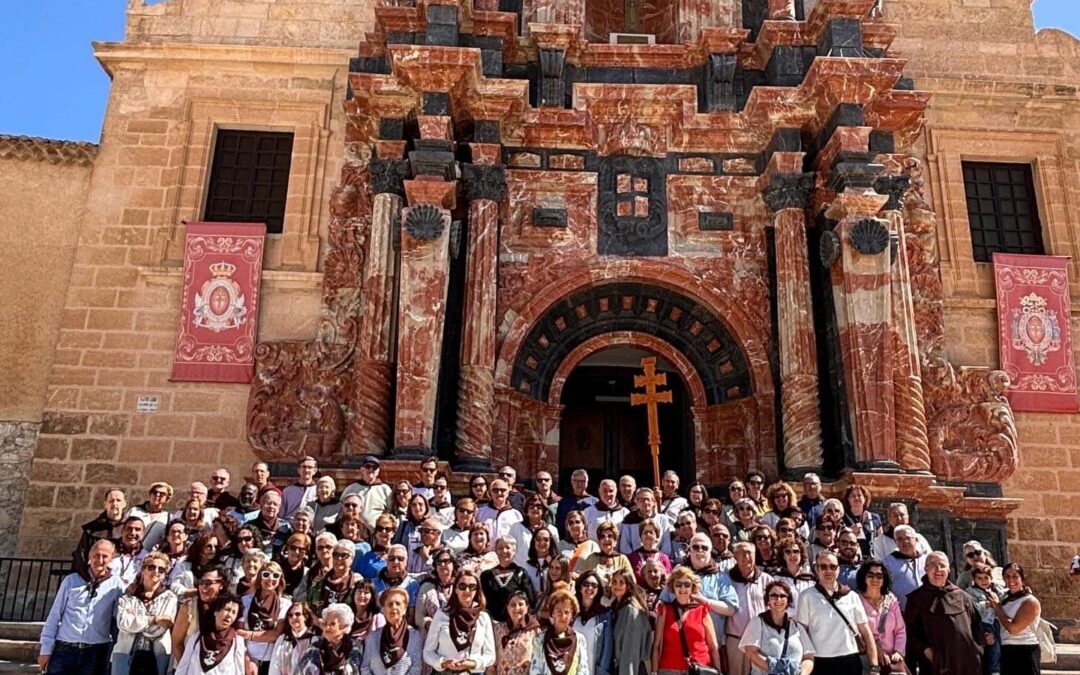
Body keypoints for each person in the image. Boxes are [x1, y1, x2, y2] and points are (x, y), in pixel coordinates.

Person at [40, 538, 123, 674]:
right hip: (65, 649)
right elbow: (54, 616)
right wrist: (45, 649)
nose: (100, 560)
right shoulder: (72, 580)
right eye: (96, 555)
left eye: (105, 556)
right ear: (90, 556)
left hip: (95, 651)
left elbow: (118, 617)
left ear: (112, 558)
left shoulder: (116, 585)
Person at [795, 551, 877, 675]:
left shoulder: (851, 596)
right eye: (823, 566)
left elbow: (866, 632)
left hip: (849, 661)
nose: (828, 571)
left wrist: (874, 667)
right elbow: (802, 633)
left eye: (833, 566)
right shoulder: (806, 596)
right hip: (819, 662)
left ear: (838, 569)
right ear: (816, 569)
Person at [903, 552, 983, 675]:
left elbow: (977, 627)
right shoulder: (916, 599)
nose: (938, 569)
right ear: (926, 569)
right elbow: (910, 632)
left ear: (948, 570)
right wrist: (925, 650)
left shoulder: (963, 596)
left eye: (942, 565)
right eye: (933, 565)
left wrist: (977, 650)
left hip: (967, 663)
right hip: (936, 664)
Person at [660, 533, 739, 651]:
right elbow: (663, 603)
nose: (700, 550)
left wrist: (706, 601)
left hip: (710, 646)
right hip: (677, 645)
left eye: (704, 548)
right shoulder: (677, 574)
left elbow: (732, 609)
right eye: (696, 547)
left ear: (710, 551)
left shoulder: (720, 577)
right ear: (689, 550)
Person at [112, 552, 178, 675]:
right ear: (143, 570)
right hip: (125, 652)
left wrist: (135, 622)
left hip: (158, 654)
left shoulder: (170, 598)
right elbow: (123, 623)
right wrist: (154, 619)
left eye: (161, 569)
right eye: (151, 567)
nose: (156, 571)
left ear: (164, 575)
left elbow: (159, 630)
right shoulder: (128, 597)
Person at [422, 569, 496, 675]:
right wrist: (442, 663)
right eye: (462, 586)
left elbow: (490, 656)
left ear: (477, 590)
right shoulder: (442, 614)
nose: (467, 590)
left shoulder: (483, 617)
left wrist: (473, 663)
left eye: (472, 587)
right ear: (456, 589)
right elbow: (428, 652)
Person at [651, 568, 724, 675]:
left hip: (699, 668)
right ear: (673, 587)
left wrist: (719, 671)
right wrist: (653, 672)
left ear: (692, 587)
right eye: (678, 584)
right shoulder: (665, 610)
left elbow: (713, 646)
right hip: (669, 669)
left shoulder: (702, 610)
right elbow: (656, 645)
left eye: (687, 584)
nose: (683, 588)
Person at [739, 580, 814, 675]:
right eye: (773, 595)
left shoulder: (797, 627)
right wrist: (776, 669)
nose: (778, 599)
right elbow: (751, 652)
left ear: (788, 601)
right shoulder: (757, 622)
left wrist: (801, 673)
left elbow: (808, 657)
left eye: (782, 596)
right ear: (768, 600)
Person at [238, 561, 292, 675]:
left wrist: (248, 634)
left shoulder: (285, 604)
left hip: (272, 660)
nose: (270, 579)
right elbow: (238, 636)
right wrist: (247, 661)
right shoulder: (245, 601)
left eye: (275, 576)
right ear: (260, 577)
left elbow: (275, 635)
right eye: (266, 574)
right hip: (247, 658)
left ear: (280, 580)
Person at [174, 593, 247, 675]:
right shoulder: (197, 638)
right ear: (216, 611)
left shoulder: (237, 641)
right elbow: (182, 667)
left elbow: (239, 671)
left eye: (234, 612)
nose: (229, 615)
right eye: (227, 609)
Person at [856, 560, 907, 675]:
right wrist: (876, 650)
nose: (875, 579)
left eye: (879, 575)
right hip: (866, 659)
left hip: (892, 660)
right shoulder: (856, 601)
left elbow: (900, 630)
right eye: (870, 575)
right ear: (864, 577)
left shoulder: (890, 600)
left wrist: (898, 652)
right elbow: (857, 632)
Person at [992, 562, 1041, 675]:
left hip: (1024, 651)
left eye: (1015, 576)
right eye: (1007, 576)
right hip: (1006, 650)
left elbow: (1014, 629)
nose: (1010, 580)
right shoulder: (1005, 599)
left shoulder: (1029, 601)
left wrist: (997, 607)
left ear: (1022, 579)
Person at [172, 565, 228, 661]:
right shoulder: (189, 606)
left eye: (209, 583)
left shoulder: (228, 608)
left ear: (221, 585)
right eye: (201, 582)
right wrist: (185, 668)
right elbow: (177, 642)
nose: (203, 587)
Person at [529, 589, 591, 675]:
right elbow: (535, 670)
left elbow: (583, 669)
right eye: (559, 611)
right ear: (552, 613)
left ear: (572, 615)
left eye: (567, 612)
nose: (563, 616)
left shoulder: (580, 639)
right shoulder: (540, 639)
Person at [362, 587, 423, 675]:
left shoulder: (414, 636)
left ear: (405, 609)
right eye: (389, 604)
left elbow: (416, 667)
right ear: (383, 609)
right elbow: (365, 667)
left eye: (398, 604)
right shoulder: (373, 637)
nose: (394, 607)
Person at [606, 569, 653, 675]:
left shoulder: (631, 610)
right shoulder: (616, 608)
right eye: (614, 582)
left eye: (621, 582)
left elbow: (631, 650)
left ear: (628, 586)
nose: (617, 585)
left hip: (630, 669)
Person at [73, 488, 127, 575]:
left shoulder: (130, 528)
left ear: (124, 504)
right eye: (111, 501)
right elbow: (81, 556)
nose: (115, 503)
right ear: (105, 504)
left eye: (118, 500)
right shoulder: (92, 529)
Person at [481, 537, 536, 622]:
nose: (504, 551)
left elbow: (530, 600)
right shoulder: (486, 575)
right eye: (500, 548)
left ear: (514, 551)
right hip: (493, 624)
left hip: (517, 623)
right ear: (495, 551)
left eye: (507, 547)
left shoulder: (521, 573)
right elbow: (482, 602)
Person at [297, 603, 363, 674]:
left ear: (344, 627)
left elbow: (354, 671)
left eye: (332, 624)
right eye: (325, 623)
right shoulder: (315, 647)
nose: (327, 627)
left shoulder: (354, 647)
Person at [491, 590, 541, 675]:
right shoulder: (498, 629)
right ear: (507, 608)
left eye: (520, 604)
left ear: (527, 607)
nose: (517, 608)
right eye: (513, 605)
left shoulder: (535, 631)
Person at [965, 563, 1002, 675]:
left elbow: (1005, 596)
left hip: (997, 623)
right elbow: (972, 607)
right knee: (992, 650)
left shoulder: (996, 589)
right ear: (974, 579)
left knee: (999, 650)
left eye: (986, 577)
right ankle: (993, 671)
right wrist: (986, 604)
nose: (983, 581)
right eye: (979, 578)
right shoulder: (971, 592)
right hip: (984, 624)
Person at [573, 572, 611, 675]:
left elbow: (607, 650)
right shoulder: (571, 613)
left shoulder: (604, 615)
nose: (590, 588)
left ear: (598, 590)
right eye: (586, 584)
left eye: (594, 585)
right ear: (580, 587)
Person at [340, 455, 393, 530]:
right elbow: (341, 510)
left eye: (374, 467)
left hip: (377, 532)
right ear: (362, 470)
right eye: (367, 466)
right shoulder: (350, 489)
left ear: (378, 471)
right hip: (354, 531)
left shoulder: (385, 490)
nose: (371, 469)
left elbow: (391, 512)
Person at [882, 525, 928, 610]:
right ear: (895, 542)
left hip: (928, 611)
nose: (905, 542)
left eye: (908, 538)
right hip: (903, 612)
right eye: (899, 539)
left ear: (916, 540)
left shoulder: (926, 559)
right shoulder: (888, 562)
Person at [310, 540, 363, 613]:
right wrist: (318, 622)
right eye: (336, 555)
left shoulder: (357, 582)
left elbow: (361, 610)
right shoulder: (320, 580)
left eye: (344, 555)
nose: (339, 558)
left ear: (352, 559)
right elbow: (309, 607)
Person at [508, 497, 560, 566]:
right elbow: (510, 550)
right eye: (531, 506)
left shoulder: (552, 530)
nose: (535, 509)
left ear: (544, 509)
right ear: (526, 509)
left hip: (546, 571)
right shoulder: (516, 527)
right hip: (521, 571)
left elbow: (555, 553)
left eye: (538, 506)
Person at [417, 549, 458, 636]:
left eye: (446, 561)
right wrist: (430, 624)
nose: (442, 565)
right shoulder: (426, 587)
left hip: (456, 632)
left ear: (453, 564)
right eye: (439, 562)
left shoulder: (461, 585)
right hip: (432, 633)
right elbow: (418, 616)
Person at [620, 489, 673, 554]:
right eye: (642, 500)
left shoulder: (662, 519)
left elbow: (666, 543)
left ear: (653, 502)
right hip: (635, 560)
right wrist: (635, 558)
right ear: (636, 502)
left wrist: (659, 558)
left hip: (658, 561)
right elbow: (625, 545)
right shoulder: (629, 519)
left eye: (648, 499)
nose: (645, 502)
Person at [268, 602, 315, 675]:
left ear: (305, 617)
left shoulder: (313, 640)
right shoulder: (282, 639)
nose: (293, 617)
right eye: (290, 615)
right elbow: (274, 667)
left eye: (297, 614)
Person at [581, 521, 632, 585]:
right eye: (602, 536)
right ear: (599, 541)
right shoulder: (591, 558)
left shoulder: (622, 559)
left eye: (610, 536)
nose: (606, 539)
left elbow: (631, 582)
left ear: (615, 541)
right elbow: (583, 581)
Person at [374, 544, 421, 613]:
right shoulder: (373, 583)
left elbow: (411, 616)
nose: (395, 562)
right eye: (391, 559)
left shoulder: (412, 584)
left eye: (400, 559)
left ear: (406, 562)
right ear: (386, 561)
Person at [771, 537, 815, 611]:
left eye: (796, 551)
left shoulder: (810, 579)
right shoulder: (776, 579)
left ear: (801, 554)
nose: (792, 555)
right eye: (788, 552)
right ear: (783, 556)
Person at [130, 482, 174, 552]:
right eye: (155, 492)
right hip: (129, 552)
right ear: (150, 494)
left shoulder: (169, 518)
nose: (157, 495)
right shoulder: (135, 511)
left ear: (167, 498)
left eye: (162, 494)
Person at [478, 479, 524, 543]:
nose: (499, 493)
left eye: (502, 490)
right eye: (495, 490)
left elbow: (520, 538)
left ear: (508, 493)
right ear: (490, 493)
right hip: (486, 552)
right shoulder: (480, 512)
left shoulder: (516, 514)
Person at [841, 486, 881, 558]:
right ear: (848, 499)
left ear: (865, 498)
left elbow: (881, 540)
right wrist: (850, 531)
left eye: (859, 495)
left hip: (870, 559)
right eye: (853, 496)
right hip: (848, 559)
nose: (856, 498)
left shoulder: (874, 518)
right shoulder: (842, 518)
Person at [251, 490, 293, 558]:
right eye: (268, 503)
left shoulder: (285, 527)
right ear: (261, 505)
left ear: (279, 508)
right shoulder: (250, 526)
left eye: (275, 504)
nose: (271, 506)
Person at [555, 470, 596, 537]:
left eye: (582, 481)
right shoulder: (564, 502)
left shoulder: (594, 502)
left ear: (587, 482)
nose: (579, 484)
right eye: (576, 481)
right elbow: (560, 524)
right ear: (571, 482)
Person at [558, 510, 599, 577]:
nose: (574, 525)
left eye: (577, 522)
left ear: (583, 524)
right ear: (567, 527)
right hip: (565, 584)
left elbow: (597, 569)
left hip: (584, 584)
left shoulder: (592, 545)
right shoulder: (560, 546)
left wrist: (580, 577)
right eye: (571, 523)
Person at [112, 516, 149, 586]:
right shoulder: (109, 550)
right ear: (122, 531)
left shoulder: (146, 557)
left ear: (142, 534)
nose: (132, 533)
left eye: (137, 529)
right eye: (129, 528)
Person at [523, 528, 559, 596]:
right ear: (534, 541)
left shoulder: (557, 563)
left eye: (546, 539)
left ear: (550, 542)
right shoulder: (527, 566)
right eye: (538, 539)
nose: (542, 542)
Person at [350, 579, 386, 646]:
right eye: (359, 591)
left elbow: (382, 641)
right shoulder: (346, 614)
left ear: (372, 597)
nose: (362, 595)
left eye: (366, 592)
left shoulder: (378, 618)